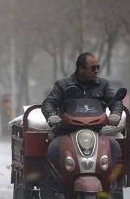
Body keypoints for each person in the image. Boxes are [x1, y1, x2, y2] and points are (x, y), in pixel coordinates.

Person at [41, 52, 123, 191]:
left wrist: (116, 113)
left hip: (95, 132)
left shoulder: (103, 84)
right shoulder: (63, 84)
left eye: (98, 67)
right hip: (67, 133)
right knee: (53, 149)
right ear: (80, 69)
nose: (96, 70)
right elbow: (49, 103)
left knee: (114, 146)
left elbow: (115, 101)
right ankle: (62, 183)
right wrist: (51, 116)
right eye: (93, 68)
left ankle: (105, 182)